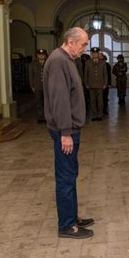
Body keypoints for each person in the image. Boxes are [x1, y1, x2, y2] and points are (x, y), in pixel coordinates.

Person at [43, 27, 94, 239]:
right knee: (65, 177)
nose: (85, 48)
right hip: (66, 131)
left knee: (71, 174)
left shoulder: (67, 60)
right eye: (83, 44)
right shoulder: (58, 61)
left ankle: (72, 217)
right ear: (71, 42)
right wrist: (65, 132)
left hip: (71, 129)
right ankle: (66, 225)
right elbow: (60, 100)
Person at [84, 47, 108, 121]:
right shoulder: (88, 62)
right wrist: (86, 83)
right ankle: (94, 115)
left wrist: (105, 83)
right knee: (93, 101)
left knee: (100, 101)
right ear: (92, 54)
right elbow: (86, 74)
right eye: (93, 53)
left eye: (96, 53)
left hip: (100, 84)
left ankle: (99, 115)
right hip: (91, 84)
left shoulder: (102, 62)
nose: (95, 54)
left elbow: (105, 74)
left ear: (98, 54)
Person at [29, 48, 48, 123]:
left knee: (47, 103)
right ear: (37, 55)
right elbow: (31, 76)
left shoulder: (49, 63)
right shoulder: (33, 64)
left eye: (42, 55)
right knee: (39, 102)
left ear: (45, 55)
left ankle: (47, 117)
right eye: (39, 55)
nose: (41, 56)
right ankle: (41, 117)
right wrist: (32, 86)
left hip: (47, 87)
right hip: (37, 86)